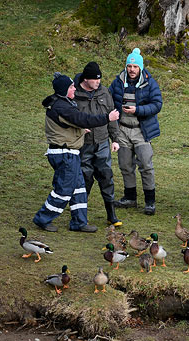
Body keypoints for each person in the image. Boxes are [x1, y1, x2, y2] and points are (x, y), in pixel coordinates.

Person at [33, 73, 119, 233]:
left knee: (79, 187)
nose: (74, 89)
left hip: (68, 153)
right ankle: (43, 218)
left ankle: (79, 222)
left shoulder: (60, 103)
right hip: (65, 154)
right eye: (71, 87)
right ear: (64, 90)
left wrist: (80, 129)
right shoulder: (62, 107)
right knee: (64, 189)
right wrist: (108, 117)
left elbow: (70, 124)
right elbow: (83, 119)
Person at [109, 48, 163, 215]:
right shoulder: (118, 82)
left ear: (140, 68)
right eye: (129, 66)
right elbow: (109, 101)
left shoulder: (150, 83)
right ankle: (130, 198)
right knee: (125, 165)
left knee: (146, 166)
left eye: (135, 66)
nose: (132, 69)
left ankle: (150, 201)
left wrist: (137, 109)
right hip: (123, 130)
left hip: (142, 131)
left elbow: (157, 105)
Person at [73, 61, 122, 227]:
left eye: (99, 80)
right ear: (86, 79)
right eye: (95, 80)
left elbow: (112, 116)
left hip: (102, 143)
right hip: (83, 144)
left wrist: (115, 139)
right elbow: (68, 117)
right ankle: (80, 216)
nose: (98, 83)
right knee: (84, 179)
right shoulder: (74, 93)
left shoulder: (104, 92)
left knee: (106, 177)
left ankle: (111, 215)